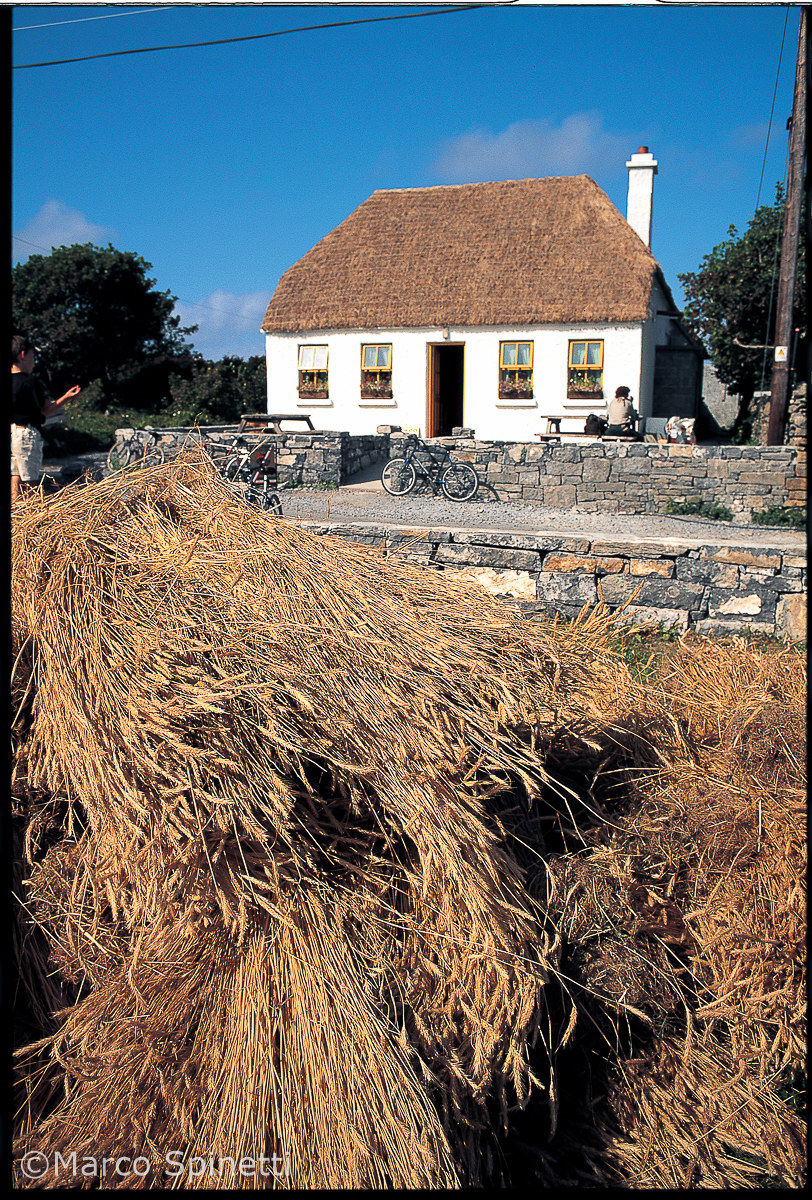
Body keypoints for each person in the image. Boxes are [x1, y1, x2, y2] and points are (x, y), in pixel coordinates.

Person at [10, 335, 81, 503]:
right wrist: (66, 397)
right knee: (31, 479)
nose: (34, 362)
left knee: (15, 474)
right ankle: (32, 515)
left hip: (11, 433)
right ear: (22, 355)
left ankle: (16, 511)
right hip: (26, 433)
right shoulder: (30, 382)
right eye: (32, 357)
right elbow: (46, 409)